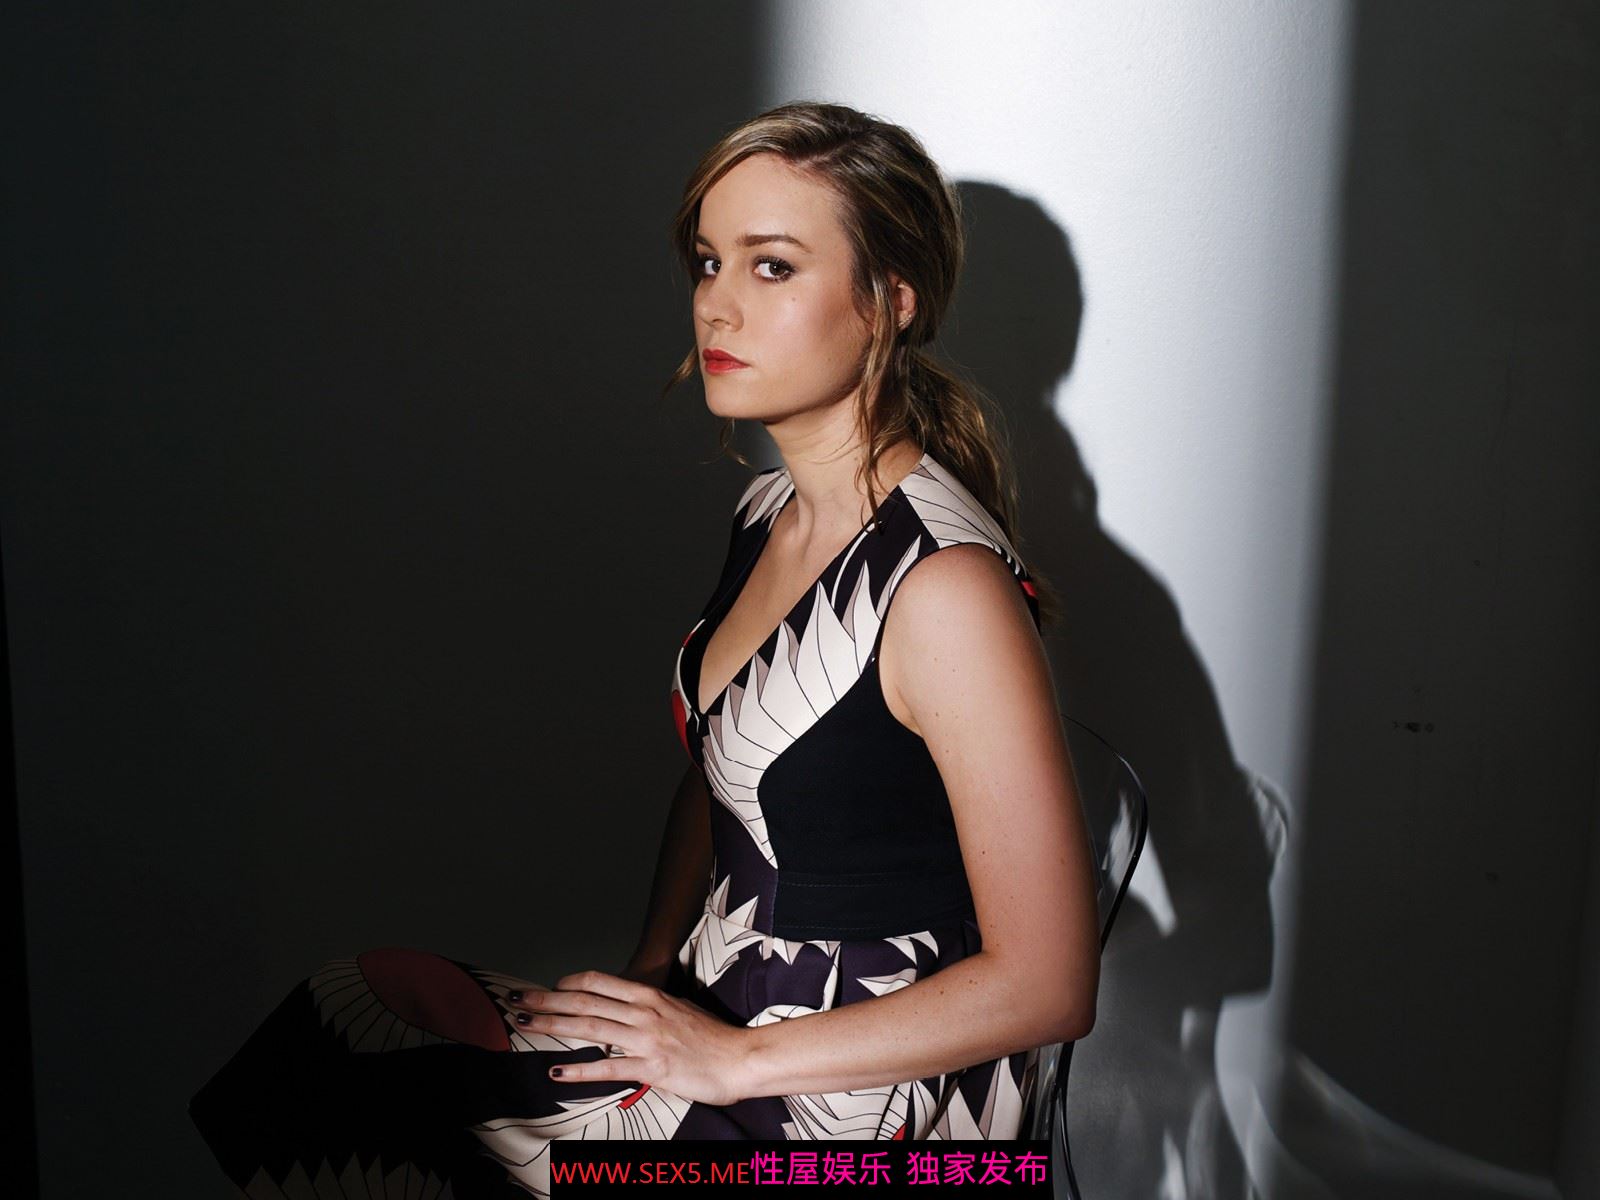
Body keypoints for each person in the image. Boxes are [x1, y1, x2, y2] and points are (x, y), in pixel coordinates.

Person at [190, 100, 1100, 1199]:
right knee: (349, 1011)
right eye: (710, 261)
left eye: (772, 267)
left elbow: (1050, 983)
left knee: (407, 1110)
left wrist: (723, 1059)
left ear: (891, 301)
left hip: (863, 1113)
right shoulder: (771, 513)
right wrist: (653, 969)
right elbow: (721, 773)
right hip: (724, 1013)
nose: (717, 301)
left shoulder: (942, 588)